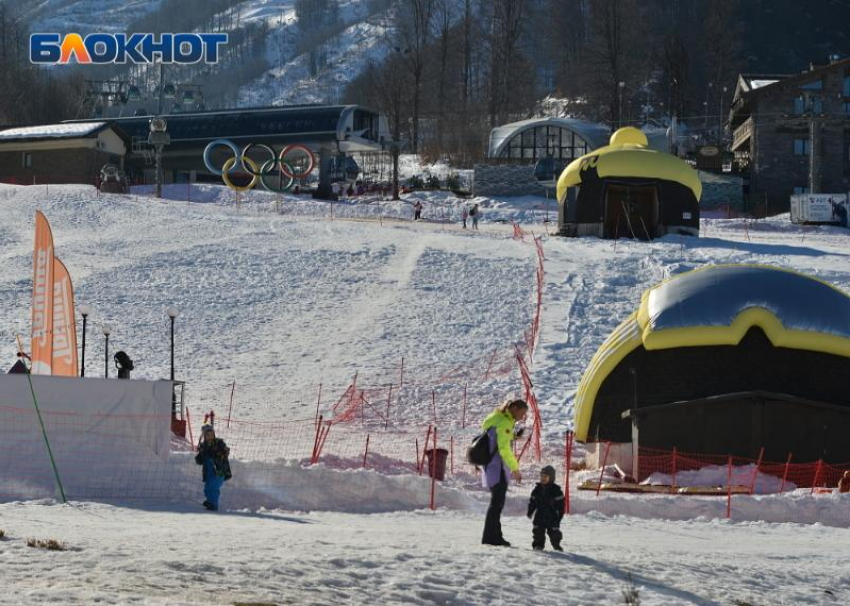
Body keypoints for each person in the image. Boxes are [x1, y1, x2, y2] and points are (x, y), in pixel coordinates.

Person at [481, 398, 528, 546]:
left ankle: (495, 535)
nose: (522, 417)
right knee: (497, 503)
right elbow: (503, 448)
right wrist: (515, 468)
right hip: (498, 467)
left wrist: (513, 436)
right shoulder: (505, 423)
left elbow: (497, 437)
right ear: (514, 409)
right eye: (522, 413)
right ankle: (490, 537)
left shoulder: (497, 418)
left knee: (496, 503)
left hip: (491, 466)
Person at [527, 465, 565, 551]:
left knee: (554, 532)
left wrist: (559, 515)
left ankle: (557, 546)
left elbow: (561, 505)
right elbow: (532, 502)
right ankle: (538, 545)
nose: (542, 478)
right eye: (541, 476)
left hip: (552, 515)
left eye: (545, 477)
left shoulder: (556, 490)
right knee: (537, 531)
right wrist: (530, 511)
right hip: (539, 515)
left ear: (551, 478)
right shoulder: (537, 489)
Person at [194, 424, 232, 511]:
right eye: (208, 435)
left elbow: (225, 450)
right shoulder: (203, 446)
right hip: (209, 472)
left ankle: (213, 504)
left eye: (212, 434)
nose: (210, 436)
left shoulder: (219, 443)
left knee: (213, 487)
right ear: (204, 436)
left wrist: (223, 451)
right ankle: (209, 501)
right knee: (207, 487)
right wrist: (199, 458)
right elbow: (201, 457)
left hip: (219, 471)